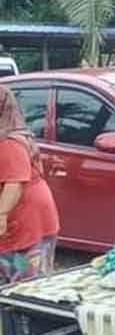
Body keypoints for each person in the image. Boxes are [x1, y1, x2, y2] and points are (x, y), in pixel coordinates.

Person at [0, 86, 59, 284]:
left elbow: (14, 183)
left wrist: (1, 215)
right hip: (27, 215)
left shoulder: (8, 142)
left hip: (26, 218)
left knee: (27, 283)